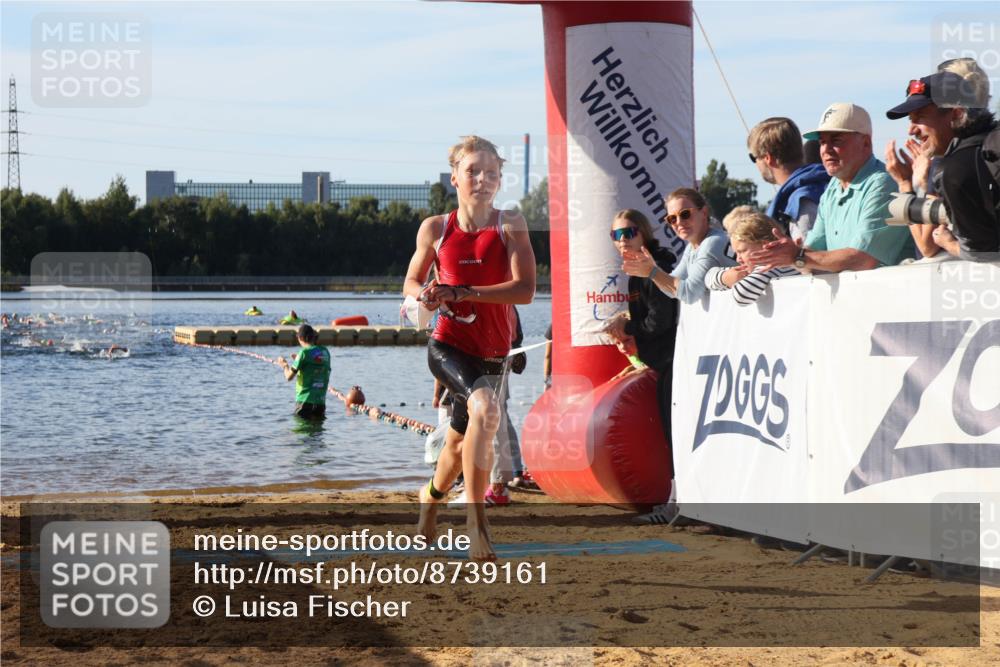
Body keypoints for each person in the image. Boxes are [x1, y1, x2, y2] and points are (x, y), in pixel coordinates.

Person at [403, 135, 536, 561]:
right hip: (448, 344)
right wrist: (423, 294)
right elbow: (410, 281)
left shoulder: (510, 223)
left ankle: (431, 497)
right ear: (455, 177)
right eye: (473, 171)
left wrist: (463, 291)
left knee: (458, 446)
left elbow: (526, 290)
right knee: (487, 411)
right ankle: (476, 526)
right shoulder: (436, 228)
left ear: (500, 180)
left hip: (494, 352)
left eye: (491, 172)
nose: (482, 178)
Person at [749, 103, 915, 272]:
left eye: (836, 140)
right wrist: (793, 256)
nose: (826, 150)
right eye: (822, 142)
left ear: (866, 143)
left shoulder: (883, 183)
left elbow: (862, 260)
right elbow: (812, 258)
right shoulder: (833, 188)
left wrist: (798, 256)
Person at [886, 61, 998, 261]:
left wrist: (952, 245)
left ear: (956, 113)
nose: (911, 130)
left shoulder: (956, 170)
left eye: (920, 117)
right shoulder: (989, 143)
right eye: (910, 119)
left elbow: (985, 255)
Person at [604, 208, 678, 446]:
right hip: (659, 362)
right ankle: (674, 481)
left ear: (643, 234)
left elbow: (660, 320)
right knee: (667, 432)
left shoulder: (655, 266)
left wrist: (627, 326)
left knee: (674, 432)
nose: (623, 239)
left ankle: (677, 482)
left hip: (674, 362)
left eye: (629, 232)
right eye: (616, 235)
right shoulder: (636, 271)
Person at [622, 188, 736, 305]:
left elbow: (689, 293)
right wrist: (652, 269)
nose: (679, 222)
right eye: (672, 218)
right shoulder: (692, 247)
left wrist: (653, 272)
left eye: (685, 214)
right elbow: (672, 290)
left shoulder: (712, 243)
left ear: (704, 213)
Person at [747, 117, 830, 241]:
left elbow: (811, 256)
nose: (756, 164)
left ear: (768, 158)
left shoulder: (801, 203)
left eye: (754, 158)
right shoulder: (828, 183)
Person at [706, 206, 800, 305]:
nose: (738, 259)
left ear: (765, 246)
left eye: (742, 251)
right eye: (736, 253)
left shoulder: (772, 267)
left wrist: (734, 279)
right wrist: (725, 277)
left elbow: (741, 295)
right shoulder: (762, 268)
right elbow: (708, 277)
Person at [277, 324, 331, 420]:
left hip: (304, 402)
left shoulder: (303, 353)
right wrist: (298, 360)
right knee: (317, 433)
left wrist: (284, 365)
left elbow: (289, 377)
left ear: (300, 338)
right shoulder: (325, 351)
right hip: (320, 403)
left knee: (301, 433)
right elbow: (315, 364)